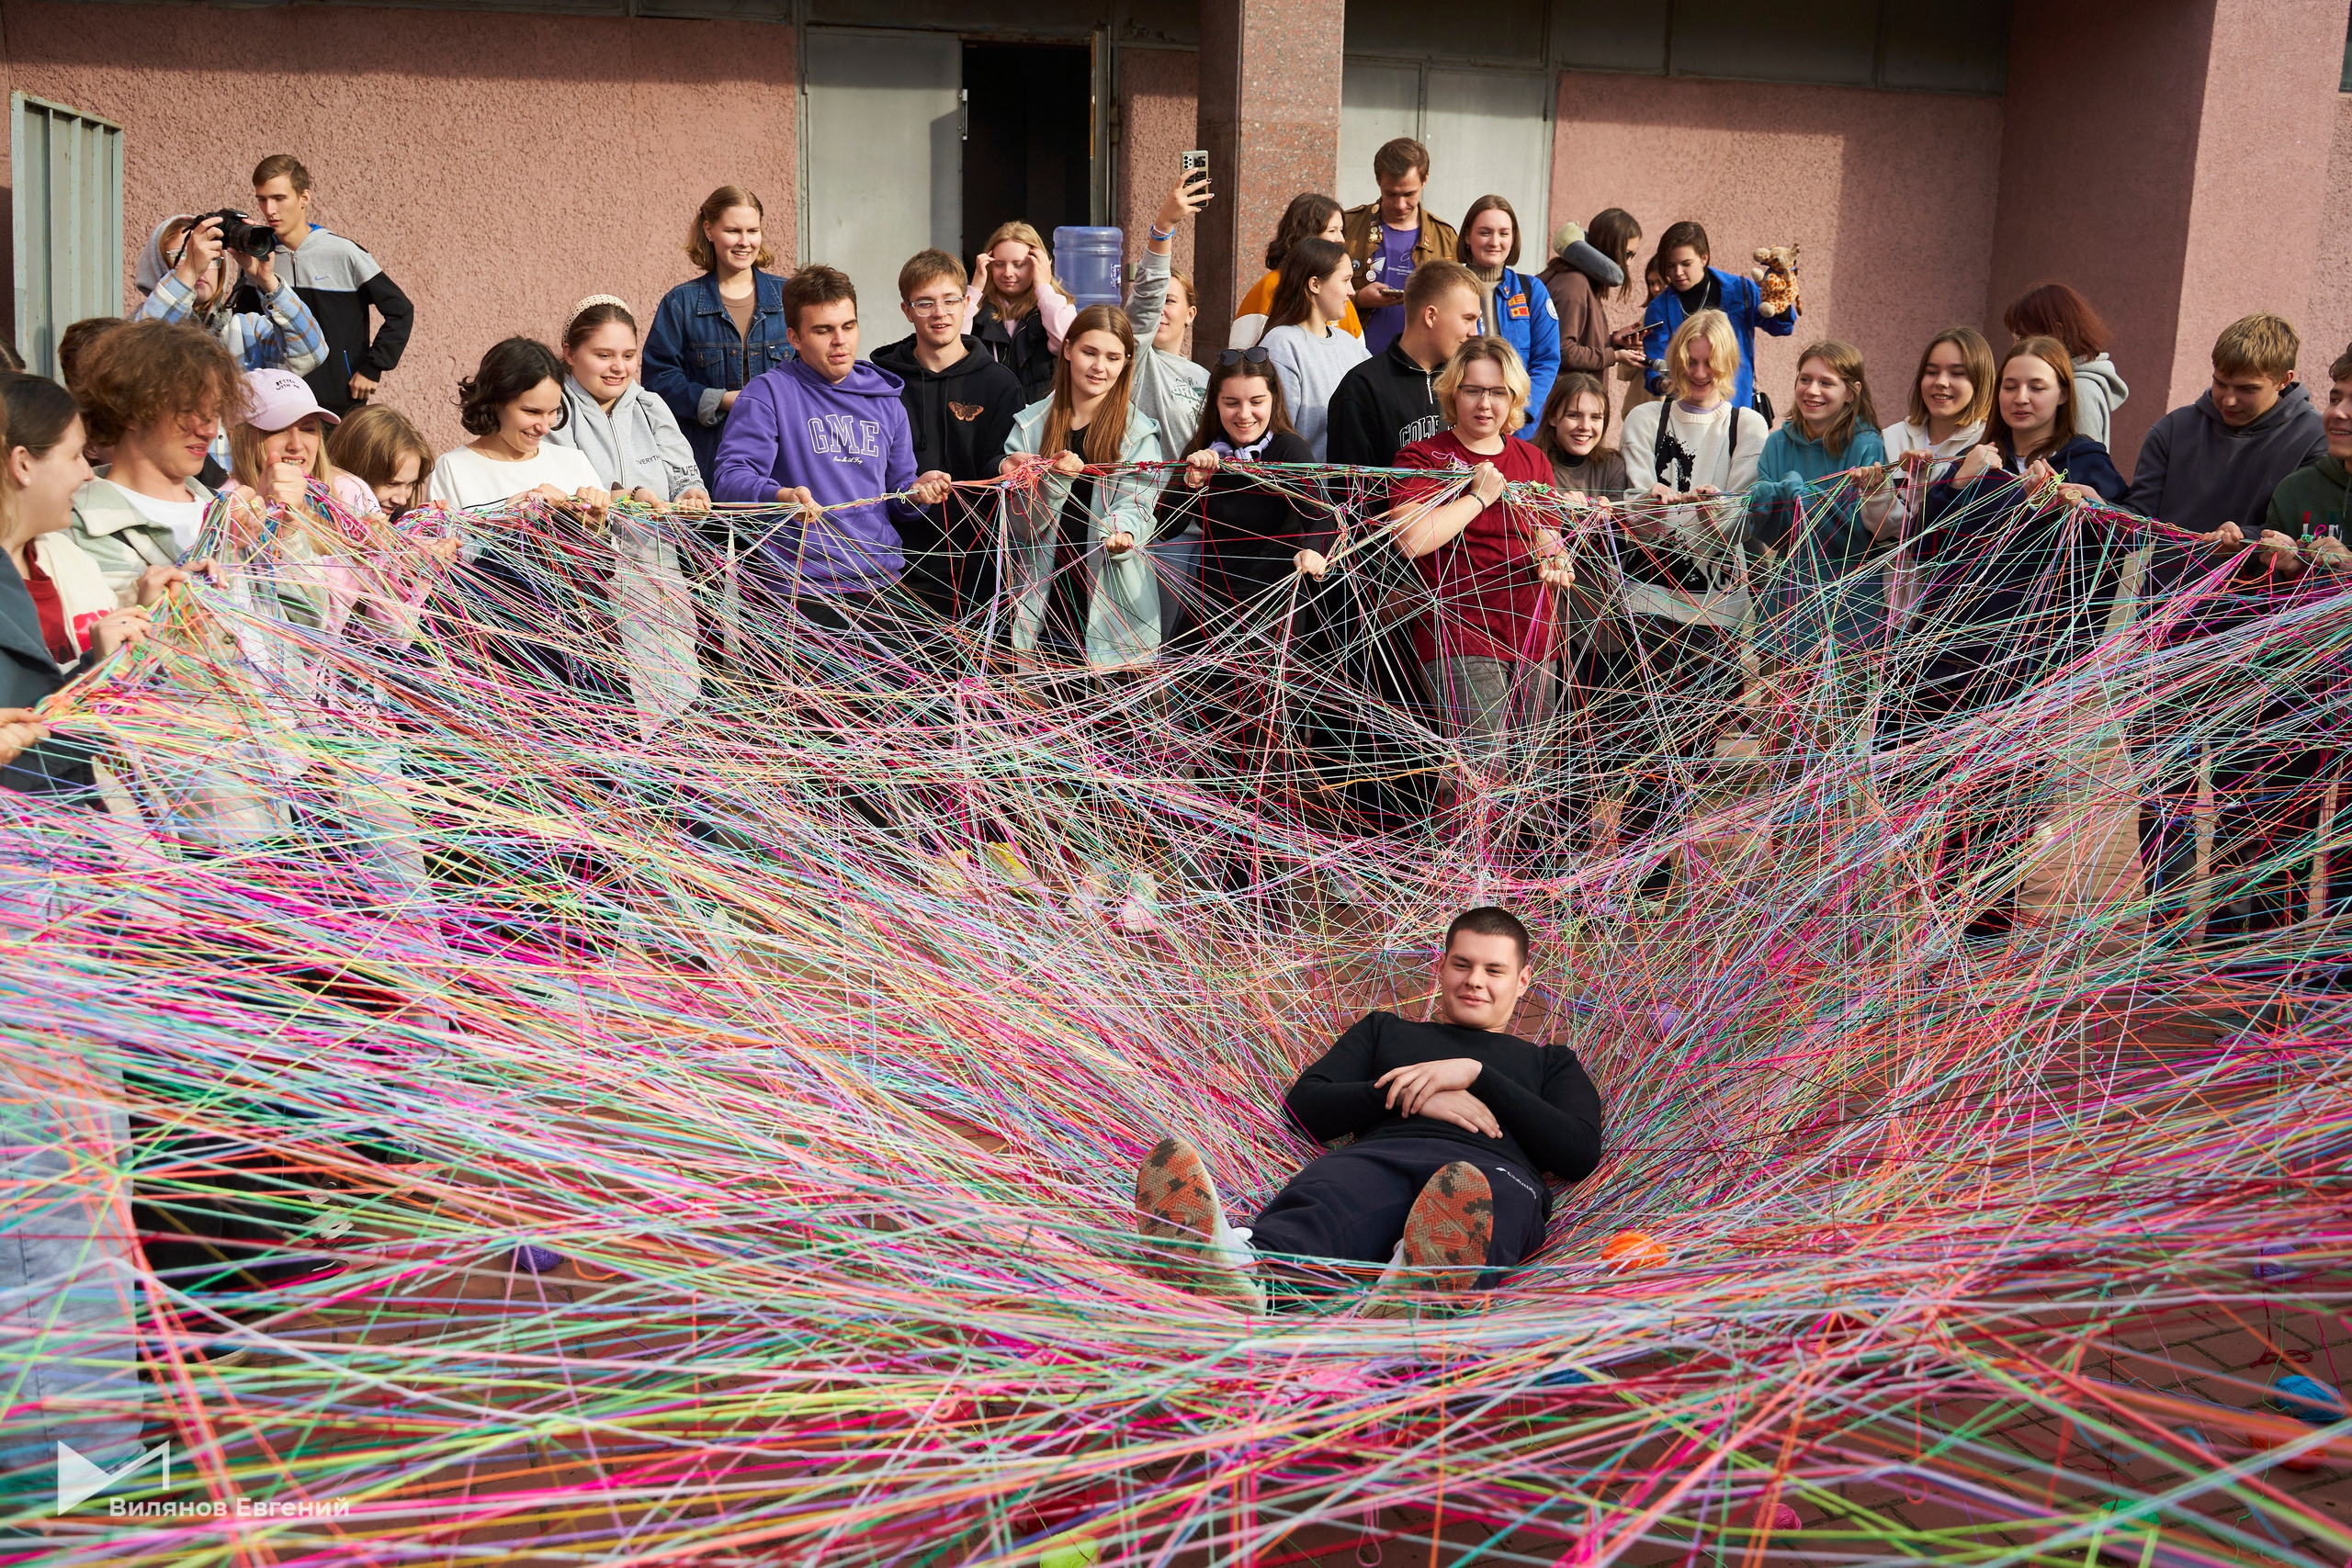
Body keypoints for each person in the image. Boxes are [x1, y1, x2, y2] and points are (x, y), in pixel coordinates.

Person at [1133, 908, 1604, 1314]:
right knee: (1329, 1202)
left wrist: (1477, 1074)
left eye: (1493, 970)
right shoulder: (1385, 1031)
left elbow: (1578, 1150)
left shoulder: (1551, 1062)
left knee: (1483, 1208)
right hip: (1380, 1155)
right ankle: (1244, 1275)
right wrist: (1410, 1093)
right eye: (1462, 964)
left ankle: (1417, 1294)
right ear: (1441, 969)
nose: (1474, 981)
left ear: (1522, 980)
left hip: (1494, 1172)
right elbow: (1304, 1108)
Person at [711, 266, 953, 622]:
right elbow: (729, 481)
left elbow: (900, 497)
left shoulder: (886, 399)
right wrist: (781, 497)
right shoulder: (769, 394)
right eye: (823, 330)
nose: (840, 340)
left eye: (848, 326)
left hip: (880, 586)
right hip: (797, 591)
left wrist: (918, 492)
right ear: (794, 338)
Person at [1386, 338, 1577, 774]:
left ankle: (1515, 849)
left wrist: (1558, 561)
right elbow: (1412, 539)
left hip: (1533, 635)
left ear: (1513, 398)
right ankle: (1459, 848)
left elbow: (1548, 539)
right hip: (1458, 632)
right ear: (1453, 391)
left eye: (1497, 392)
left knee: (1533, 776)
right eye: (1473, 389)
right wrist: (1477, 498)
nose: (1485, 403)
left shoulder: (1532, 459)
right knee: (1479, 773)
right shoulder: (1422, 457)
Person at [1000, 304, 1164, 667]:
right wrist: (1055, 482)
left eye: (1112, 357)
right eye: (1089, 352)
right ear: (1069, 349)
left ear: (1126, 362)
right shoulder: (1029, 427)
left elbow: (1137, 506)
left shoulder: (1138, 434)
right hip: (1042, 608)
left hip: (1112, 613)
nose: (1099, 367)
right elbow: (1020, 526)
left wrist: (1123, 535)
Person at [872, 252, 1026, 624]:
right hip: (897, 558)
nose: (939, 312)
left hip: (978, 559)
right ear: (907, 311)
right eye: (925, 303)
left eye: (950, 300)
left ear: (967, 303)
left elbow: (999, 463)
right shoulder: (881, 382)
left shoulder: (999, 383)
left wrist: (1005, 465)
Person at [66, 321, 241, 599]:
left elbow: (308, 622)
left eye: (215, 412)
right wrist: (224, 545)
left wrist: (284, 533)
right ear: (131, 410)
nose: (208, 430)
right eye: (188, 411)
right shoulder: (81, 527)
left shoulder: (226, 509)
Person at [1745, 341, 1894, 664]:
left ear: (1851, 392)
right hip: (1787, 603)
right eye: (1805, 379)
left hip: (1850, 606)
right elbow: (1765, 527)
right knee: (1777, 712)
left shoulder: (1866, 445)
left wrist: (1794, 495)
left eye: (1826, 382)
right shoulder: (1777, 443)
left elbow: (1861, 533)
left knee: (1837, 714)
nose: (1812, 390)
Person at [643, 186, 796, 488]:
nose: (744, 241)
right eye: (733, 230)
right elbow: (658, 381)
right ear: (709, 230)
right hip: (708, 461)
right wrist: (722, 400)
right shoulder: (681, 303)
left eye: (753, 230)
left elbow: (814, 371)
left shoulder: (789, 296)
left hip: (783, 460)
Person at [2124, 313, 2325, 535]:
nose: (2229, 400)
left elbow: (2302, 533)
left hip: (2259, 569)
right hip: (2168, 569)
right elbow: (2138, 518)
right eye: (2220, 383)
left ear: (2283, 380)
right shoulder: (2172, 429)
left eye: (2247, 389)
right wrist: (2099, 508)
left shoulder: (2315, 439)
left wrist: (2244, 539)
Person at [249, 154, 413, 417]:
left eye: (279, 198)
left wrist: (373, 367)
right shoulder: (258, 258)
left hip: (340, 401)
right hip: (280, 401)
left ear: (304, 198)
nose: (269, 209)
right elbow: (246, 325)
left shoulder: (344, 254)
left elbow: (401, 310)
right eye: (262, 199)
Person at [1323, 260, 1484, 469]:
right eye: (1467, 319)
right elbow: (1350, 493)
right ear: (1431, 316)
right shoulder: (1363, 387)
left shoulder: (1468, 382)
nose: (1475, 332)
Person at [427, 339, 610, 515]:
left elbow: (608, 544)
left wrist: (594, 525)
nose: (545, 428)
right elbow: (441, 543)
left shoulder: (575, 463)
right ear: (495, 401)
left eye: (553, 411)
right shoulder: (453, 469)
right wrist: (510, 517)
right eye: (531, 412)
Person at [133, 214, 327, 377]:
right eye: (183, 255)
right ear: (158, 265)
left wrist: (268, 282)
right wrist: (189, 272)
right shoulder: (137, 327)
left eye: (210, 257)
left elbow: (311, 354)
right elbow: (140, 360)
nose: (201, 267)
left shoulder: (245, 331)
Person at [1639, 220, 1795, 412]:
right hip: (1687, 411)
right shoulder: (1659, 307)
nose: (1677, 273)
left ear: (1704, 258)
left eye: (1686, 264)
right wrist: (1662, 384)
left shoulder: (1741, 289)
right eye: (1670, 265)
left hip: (1737, 405)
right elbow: (1653, 361)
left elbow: (1780, 327)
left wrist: (1781, 300)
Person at [1950, 336, 2126, 502]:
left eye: (2037, 388)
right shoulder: (1973, 458)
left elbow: (2132, 530)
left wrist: (2096, 511)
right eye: (2010, 387)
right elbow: (1927, 529)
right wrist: (1958, 483)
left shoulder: (2087, 461)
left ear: (2063, 394)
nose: (2021, 398)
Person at [1622, 310, 1770, 498]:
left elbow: (1741, 518)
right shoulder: (1644, 420)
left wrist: (1713, 507)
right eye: (1690, 362)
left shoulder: (1748, 426)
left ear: (1728, 362)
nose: (1699, 374)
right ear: (1676, 361)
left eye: (1710, 363)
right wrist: (1651, 503)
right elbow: (1634, 512)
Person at [1122, 167, 1215, 456]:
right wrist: (1163, 227)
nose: (1159, 310)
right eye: (1157, 302)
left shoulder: (1206, 378)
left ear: (1191, 314)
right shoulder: (1134, 359)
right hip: (1144, 496)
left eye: (1171, 301)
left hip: (1194, 496)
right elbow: (1146, 301)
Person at [1341, 139, 1462, 357]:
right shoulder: (1347, 228)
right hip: (1352, 361)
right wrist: (1358, 299)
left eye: (1409, 195)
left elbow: (1458, 309)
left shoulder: (1445, 238)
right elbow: (1315, 296)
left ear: (1425, 180)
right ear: (1378, 180)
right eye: (1391, 194)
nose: (1400, 205)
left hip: (1422, 365)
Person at [1454, 196, 1560, 434]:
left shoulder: (1532, 290)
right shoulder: (1449, 287)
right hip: (1460, 423)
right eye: (1485, 232)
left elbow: (1546, 360)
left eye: (1503, 233)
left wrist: (1520, 413)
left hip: (1518, 428)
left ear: (1513, 238)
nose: (1495, 242)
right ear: (1468, 236)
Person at [1258, 239, 1369, 461]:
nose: (1352, 291)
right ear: (1315, 284)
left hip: (1353, 490)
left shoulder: (1352, 346)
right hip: (1303, 489)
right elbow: (1275, 436)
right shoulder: (1282, 345)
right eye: (1346, 280)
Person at [2002, 283, 2127, 448]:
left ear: (2056, 332)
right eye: (2010, 387)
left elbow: (2083, 467)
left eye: (2022, 336)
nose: (2015, 346)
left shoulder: (2081, 389)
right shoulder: (2074, 382)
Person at [964, 221, 1076, 404]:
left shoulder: (1057, 305)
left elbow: (1067, 344)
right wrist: (975, 289)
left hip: (1040, 421)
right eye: (999, 264)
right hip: (989, 418)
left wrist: (1043, 287)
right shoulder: (977, 308)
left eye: (1019, 264)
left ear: (1038, 265)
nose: (1008, 272)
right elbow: (951, 341)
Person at [1231, 193, 1361, 349]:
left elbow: (1358, 350)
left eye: (1341, 230)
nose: (1341, 239)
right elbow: (1243, 357)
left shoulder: (1340, 294)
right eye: (1332, 231)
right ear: (1307, 235)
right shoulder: (1272, 286)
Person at [1539, 209, 1642, 382]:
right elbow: (1563, 351)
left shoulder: (1581, 281)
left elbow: (1579, 344)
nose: (1628, 264)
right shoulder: (1574, 285)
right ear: (1610, 248)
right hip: (1567, 402)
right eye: (1627, 254)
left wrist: (1613, 341)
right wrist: (1614, 356)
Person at [1882, 327, 1996, 478]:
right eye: (1932, 372)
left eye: (1957, 373)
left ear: (1980, 382)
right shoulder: (1891, 437)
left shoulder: (1988, 443)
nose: (1941, 382)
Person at [325, 403, 435, 523]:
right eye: (392, 484)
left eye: (411, 484)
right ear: (354, 465)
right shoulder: (313, 524)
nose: (402, 500)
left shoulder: (397, 521)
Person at [1533, 372, 1628, 496]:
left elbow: (1618, 514)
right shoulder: (1528, 460)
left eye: (1595, 417)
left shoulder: (1612, 466)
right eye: (1574, 415)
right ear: (1552, 417)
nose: (1585, 426)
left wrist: (1607, 513)